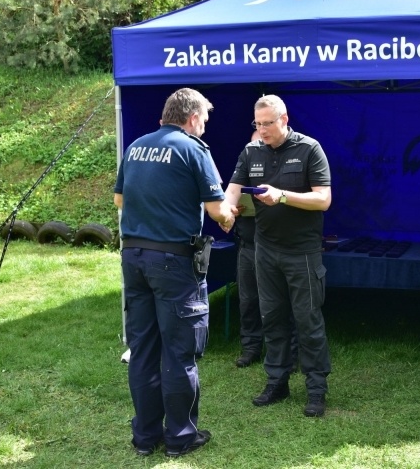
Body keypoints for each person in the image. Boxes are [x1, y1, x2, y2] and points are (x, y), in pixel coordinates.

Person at [114, 88, 235, 457]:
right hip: (173, 263)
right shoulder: (193, 149)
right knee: (180, 352)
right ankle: (181, 437)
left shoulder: (136, 146)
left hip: (133, 257)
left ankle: (145, 437)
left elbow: (120, 200)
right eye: (205, 120)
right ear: (193, 117)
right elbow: (217, 210)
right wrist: (231, 215)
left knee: (143, 349)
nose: (205, 127)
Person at [224, 94, 332, 417]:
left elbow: (323, 199)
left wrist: (282, 196)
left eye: (268, 123)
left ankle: (316, 388)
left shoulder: (309, 149)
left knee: (308, 320)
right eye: (258, 124)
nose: (263, 130)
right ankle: (277, 381)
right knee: (271, 317)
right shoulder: (251, 151)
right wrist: (228, 209)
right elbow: (233, 187)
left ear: (284, 119)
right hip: (265, 250)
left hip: (302, 251)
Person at [234, 132, 300, 369]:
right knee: (248, 300)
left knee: (283, 303)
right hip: (248, 245)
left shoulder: (285, 171)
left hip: (278, 246)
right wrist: (231, 208)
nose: (261, 145)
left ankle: (290, 355)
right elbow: (230, 194)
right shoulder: (245, 165)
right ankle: (251, 347)